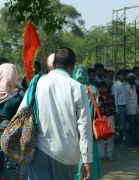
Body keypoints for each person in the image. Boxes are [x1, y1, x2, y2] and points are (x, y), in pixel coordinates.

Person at [21, 47, 93, 180]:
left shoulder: (37, 83)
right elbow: (84, 126)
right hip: (66, 153)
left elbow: (22, 113)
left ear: (53, 64)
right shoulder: (77, 88)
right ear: (73, 65)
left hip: (39, 150)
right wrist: (86, 159)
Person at [72, 66, 102, 180]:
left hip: (74, 129)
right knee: (90, 154)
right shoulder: (93, 89)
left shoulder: (72, 88)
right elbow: (97, 108)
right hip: (90, 129)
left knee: (76, 155)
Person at [97, 81, 117, 161]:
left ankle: (110, 154)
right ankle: (101, 154)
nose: (104, 90)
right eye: (102, 88)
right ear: (99, 89)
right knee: (100, 136)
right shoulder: (97, 97)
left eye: (105, 88)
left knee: (110, 136)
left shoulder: (111, 96)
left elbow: (114, 106)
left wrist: (115, 115)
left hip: (110, 117)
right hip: (100, 119)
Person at [126, 73, 139, 147]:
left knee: (138, 125)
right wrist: (127, 111)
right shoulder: (126, 88)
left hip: (135, 109)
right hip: (130, 110)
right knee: (130, 128)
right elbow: (126, 100)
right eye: (132, 79)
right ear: (128, 79)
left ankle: (137, 141)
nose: (133, 80)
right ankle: (130, 142)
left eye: (134, 79)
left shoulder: (134, 86)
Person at [112, 69, 127, 148]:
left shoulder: (124, 84)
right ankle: (117, 143)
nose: (122, 76)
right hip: (119, 106)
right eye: (120, 75)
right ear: (117, 76)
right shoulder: (116, 85)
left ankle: (120, 141)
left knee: (123, 125)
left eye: (123, 75)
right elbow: (114, 98)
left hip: (124, 106)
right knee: (119, 126)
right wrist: (116, 110)